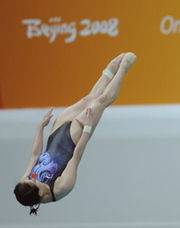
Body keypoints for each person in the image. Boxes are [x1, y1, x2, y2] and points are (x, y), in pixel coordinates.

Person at [14, 52, 137, 215]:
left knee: (88, 99)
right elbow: (76, 157)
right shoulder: (60, 188)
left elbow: (34, 155)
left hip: (55, 135)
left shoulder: (26, 185)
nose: (32, 179)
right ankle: (123, 68)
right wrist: (87, 128)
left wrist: (40, 127)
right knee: (101, 100)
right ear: (41, 194)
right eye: (34, 183)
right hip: (74, 141)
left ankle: (109, 70)